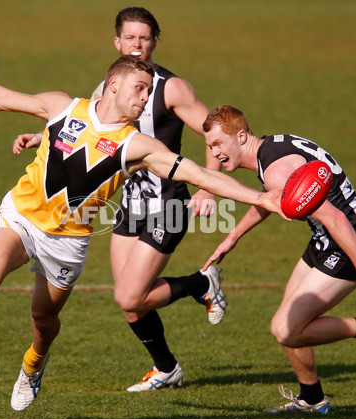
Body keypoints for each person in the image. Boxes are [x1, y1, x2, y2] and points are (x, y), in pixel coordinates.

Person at [0, 54, 284, 411]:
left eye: (149, 91)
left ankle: (33, 365)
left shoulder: (137, 145)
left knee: (42, 321)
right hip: (23, 217)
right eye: (139, 88)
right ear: (113, 85)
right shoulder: (63, 107)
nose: (145, 97)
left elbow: (196, 173)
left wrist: (260, 198)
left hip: (67, 242)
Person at [12, 7, 224, 392]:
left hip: (169, 204)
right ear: (118, 43)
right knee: (130, 303)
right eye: (130, 39)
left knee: (129, 293)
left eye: (144, 38)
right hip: (130, 202)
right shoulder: (112, 84)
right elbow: (82, 127)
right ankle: (166, 367)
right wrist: (37, 135)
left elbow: (214, 131)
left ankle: (199, 284)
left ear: (155, 42)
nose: (137, 45)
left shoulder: (171, 89)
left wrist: (209, 187)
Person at [201, 105, 356, 414]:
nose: (214, 153)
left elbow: (337, 218)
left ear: (241, 136)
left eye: (218, 144)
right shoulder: (271, 150)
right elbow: (273, 197)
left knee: (286, 329)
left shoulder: (275, 168)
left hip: (351, 242)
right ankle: (312, 399)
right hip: (325, 241)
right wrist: (233, 237)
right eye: (209, 146)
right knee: (288, 323)